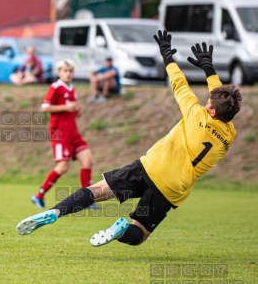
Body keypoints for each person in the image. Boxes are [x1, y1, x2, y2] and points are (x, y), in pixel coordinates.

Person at [17, 30, 241, 248]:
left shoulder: (195, 113)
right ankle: (121, 229)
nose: (205, 104)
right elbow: (221, 100)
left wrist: (168, 56)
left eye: (208, 104)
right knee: (140, 233)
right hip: (173, 186)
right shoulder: (229, 135)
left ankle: (55, 211)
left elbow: (179, 83)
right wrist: (210, 71)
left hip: (150, 166)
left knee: (96, 192)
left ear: (211, 111)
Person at [30, 59, 97, 210]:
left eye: (70, 71)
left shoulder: (72, 88)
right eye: (65, 71)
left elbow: (69, 109)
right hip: (60, 133)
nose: (68, 74)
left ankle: (86, 200)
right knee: (63, 167)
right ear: (59, 72)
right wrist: (65, 107)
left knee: (88, 160)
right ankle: (39, 195)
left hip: (73, 132)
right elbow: (45, 107)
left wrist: (75, 112)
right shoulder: (55, 87)